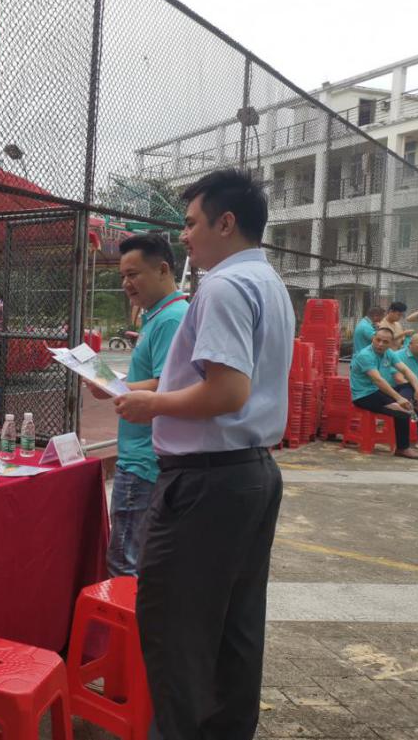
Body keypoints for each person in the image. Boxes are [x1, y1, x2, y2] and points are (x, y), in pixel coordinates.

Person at [113, 169, 293, 740]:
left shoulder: (222, 286)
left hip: (206, 484)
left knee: (177, 632)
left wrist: (153, 406)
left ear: (226, 222)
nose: (185, 236)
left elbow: (226, 392)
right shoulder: (268, 282)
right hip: (250, 473)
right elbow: (216, 382)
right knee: (236, 627)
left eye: (191, 223)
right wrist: (145, 392)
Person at [86, 233, 188, 578]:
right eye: (122, 276)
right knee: (138, 558)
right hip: (144, 455)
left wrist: (113, 387)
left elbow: (166, 385)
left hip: (144, 461)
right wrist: (112, 385)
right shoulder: (159, 316)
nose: (126, 284)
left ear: (163, 270)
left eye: (133, 274)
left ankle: (130, 615)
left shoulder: (171, 319)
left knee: (125, 563)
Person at [349, 327, 418, 460]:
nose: (380, 344)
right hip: (364, 396)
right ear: (373, 339)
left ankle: (413, 403)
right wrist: (399, 398)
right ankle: (403, 448)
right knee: (403, 412)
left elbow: (406, 370)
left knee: (410, 387)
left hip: (378, 392)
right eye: (378, 340)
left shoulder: (388, 353)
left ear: (390, 343)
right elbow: (378, 380)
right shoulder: (365, 355)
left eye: (385, 342)